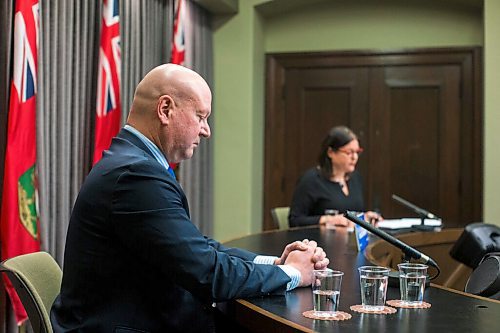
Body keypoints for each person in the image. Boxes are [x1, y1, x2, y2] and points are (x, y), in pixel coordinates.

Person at [50, 64, 329, 333]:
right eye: (200, 116)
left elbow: (198, 249)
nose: (206, 130)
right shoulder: (136, 175)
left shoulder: (134, 162)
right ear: (165, 109)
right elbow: (206, 273)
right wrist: (293, 274)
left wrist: (275, 264)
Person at [288, 126, 382, 228]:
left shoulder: (356, 178)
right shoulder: (311, 180)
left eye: (357, 152)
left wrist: (364, 217)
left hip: (351, 240)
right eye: (349, 152)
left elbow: (352, 214)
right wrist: (327, 219)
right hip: (321, 241)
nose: (354, 157)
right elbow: (294, 220)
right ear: (331, 152)